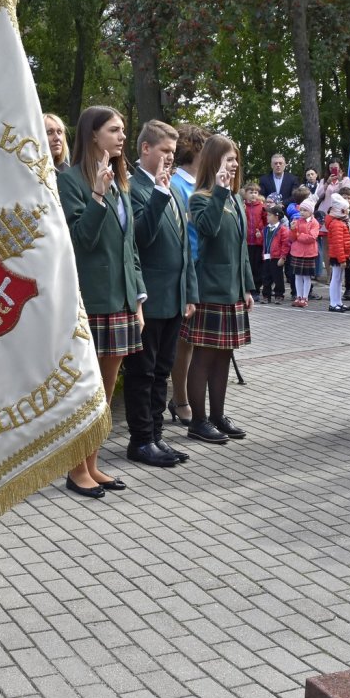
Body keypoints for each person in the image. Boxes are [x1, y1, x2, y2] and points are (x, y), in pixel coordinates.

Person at [57, 106, 144, 498]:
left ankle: (93, 464)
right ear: (93, 134)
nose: (122, 136)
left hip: (121, 300)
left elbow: (130, 247)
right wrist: (97, 194)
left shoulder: (121, 181)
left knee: (105, 393)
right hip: (92, 299)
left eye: (124, 129)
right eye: (114, 129)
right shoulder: (70, 181)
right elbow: (79, 241)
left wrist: (138, 300)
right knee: (86, 390)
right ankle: (77, 469)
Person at [123, 120, 196, 469]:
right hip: (148, 298)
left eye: (173, 152)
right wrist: (158, 195)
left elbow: (184, 247)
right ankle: (140, 440)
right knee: (144, 371)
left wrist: (189, 294)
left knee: (163, 369)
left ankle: (155, 435)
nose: (170, 158)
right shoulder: (133, 186)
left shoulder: (173, 189)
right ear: (145, 149)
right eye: (165, 151)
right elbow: (140, 237)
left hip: (173, 298)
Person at [182, 135, 255, 444]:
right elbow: (209, 230)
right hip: (210, 290)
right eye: (229, 158)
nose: (234, 163)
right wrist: (220, 191)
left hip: (233, 291)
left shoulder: (235, 199)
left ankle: (217, 416)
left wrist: (248, 287)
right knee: (203, 357)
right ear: (214, 161)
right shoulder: (201, 197)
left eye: (236, 158)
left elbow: (241, 249)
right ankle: (197, 421)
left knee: (224, 356)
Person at [167, 124, 209, 427]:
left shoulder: (199, 184)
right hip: (187, 270)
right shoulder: (177, 186)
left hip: (204, 271)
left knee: (198, 341)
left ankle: (193, 398)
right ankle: (180, 398)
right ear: (196, 151)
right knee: (185, 341)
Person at [288, 195, 321, 308]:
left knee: (306, 277)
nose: (302, 212)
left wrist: (298, 235)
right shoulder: (296, 221)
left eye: (305, 210)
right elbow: (291, 238)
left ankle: (305, 297)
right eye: (301, 209)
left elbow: (312, 237)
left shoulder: (315, 223)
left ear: (311, 211)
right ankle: (298, 296)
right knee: (297, 276)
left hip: (309, 253)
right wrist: (292, 230)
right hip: (297, 251)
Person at [325, 194, 350, 312]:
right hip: (339, 256)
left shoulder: (341, 222)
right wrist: (342, 259)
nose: (348, 211)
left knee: (338, 280)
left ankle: (338, 302)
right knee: (335, 279)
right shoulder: (337, 224)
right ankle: (333, 303)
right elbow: (338, 244)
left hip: (341, 255)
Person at [242, 182, 268, 302]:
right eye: (250, 192)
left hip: (258, 242)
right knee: (248, 267)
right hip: (246, 242)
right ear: (245, 194)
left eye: (255, 192)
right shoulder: (242, 206)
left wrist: (261, 233)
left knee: (258, 267)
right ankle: (246, 289)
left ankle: (256, 290)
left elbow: (267, 223)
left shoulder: (262, 207)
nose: (253, 195)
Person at [264, 202, 291, 304]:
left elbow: (285, 244)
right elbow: (265, 241)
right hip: (267, 256)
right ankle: (266, 295)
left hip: (277, 257)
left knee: (278, 277)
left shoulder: (283, 229)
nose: (267, 217)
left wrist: (283, 257)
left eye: (269, 215)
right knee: (266, 276)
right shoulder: (266, 229)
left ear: (276, 217)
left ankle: (279, 294)